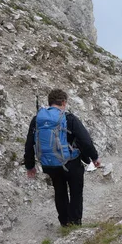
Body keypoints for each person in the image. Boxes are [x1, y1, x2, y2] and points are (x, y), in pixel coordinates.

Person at [24, 89, 100, 226]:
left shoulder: (38, 119)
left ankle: (64, 223)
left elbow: (30, 143)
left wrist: (30, 165)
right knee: (76, 192)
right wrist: (94, 158)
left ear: (50, 102)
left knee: (60, 192)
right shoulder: (69, 118)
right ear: (64, 102)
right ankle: (75, 223)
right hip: (71, 163)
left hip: (50, 164)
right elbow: (85, 140)